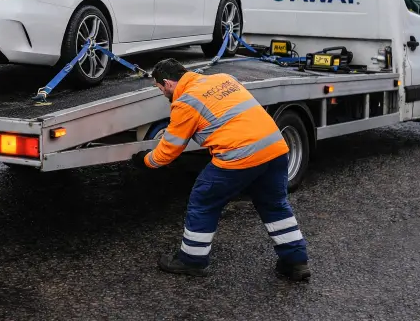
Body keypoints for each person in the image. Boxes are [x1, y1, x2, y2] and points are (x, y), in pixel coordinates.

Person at [132, 58, 309, 280]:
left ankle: (192, 260)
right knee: (275, 205)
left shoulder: (185, 102)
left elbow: (170, 150)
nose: (163, 94)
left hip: (239, 156)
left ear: (168, 83)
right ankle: (296, 262)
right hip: (275, 148)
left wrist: (146, 161)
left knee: (204, 199)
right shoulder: (223, 79)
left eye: (160, 89)